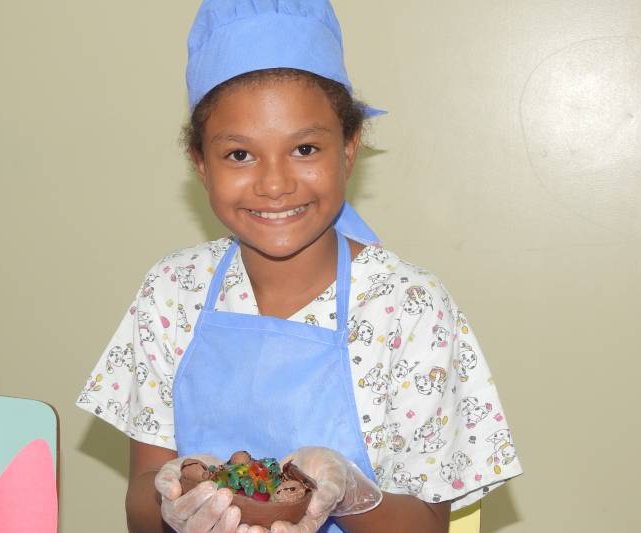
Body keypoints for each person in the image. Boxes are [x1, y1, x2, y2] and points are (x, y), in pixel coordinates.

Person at [76, 1, 522, 532]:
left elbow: (429, 525)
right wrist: (170, 502)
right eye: (239, 155)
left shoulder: (409, 309)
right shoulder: (173, 292)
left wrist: (350, 495)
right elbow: (140, 508)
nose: (274, 184)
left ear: (349, 149)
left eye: (305, 148)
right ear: (200, 163)